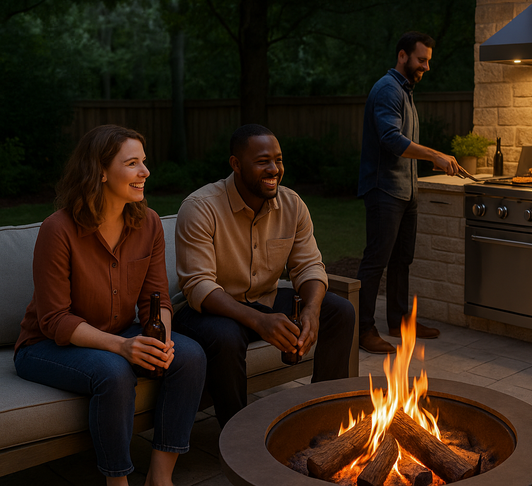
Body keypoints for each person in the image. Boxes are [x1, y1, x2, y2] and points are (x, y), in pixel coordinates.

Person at [14, 125, 206, 486]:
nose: (145, 172)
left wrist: (161, 339)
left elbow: (158, 299)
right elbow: (55, 319)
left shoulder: (147, 223)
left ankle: (160, 478)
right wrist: (123, 347)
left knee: (190, 356)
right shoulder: (58, 229)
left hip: (116, 331)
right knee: (115, 372)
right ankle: (117, 482)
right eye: (132, 163)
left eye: (144, 162)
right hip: (46, 345)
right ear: (100, 171)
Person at [172, 124, 355, 428]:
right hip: (207, 311)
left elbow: (308, 266)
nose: (274, 169)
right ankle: (238, 435)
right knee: (226, 336)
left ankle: (325, 418)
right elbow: (198, 285)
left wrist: (311, 311)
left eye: (278, 160)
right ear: (236, 165)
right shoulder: (200, 208)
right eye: (262, 161)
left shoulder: (292, 205)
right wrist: (259, 320)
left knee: (340, 310)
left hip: (264, 301)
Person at [356, 31, 463, 354]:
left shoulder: (405, 91)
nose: (426, 66)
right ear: (402, 56)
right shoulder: (388, 89)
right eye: (421, 59)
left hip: (406, 191)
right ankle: (363, 330)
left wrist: (430, 158)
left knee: (403, 259)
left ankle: (399, 321)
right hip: (384, 190)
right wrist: (435, 155)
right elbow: (391, 139)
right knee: (376, 262)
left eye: (428, 60)